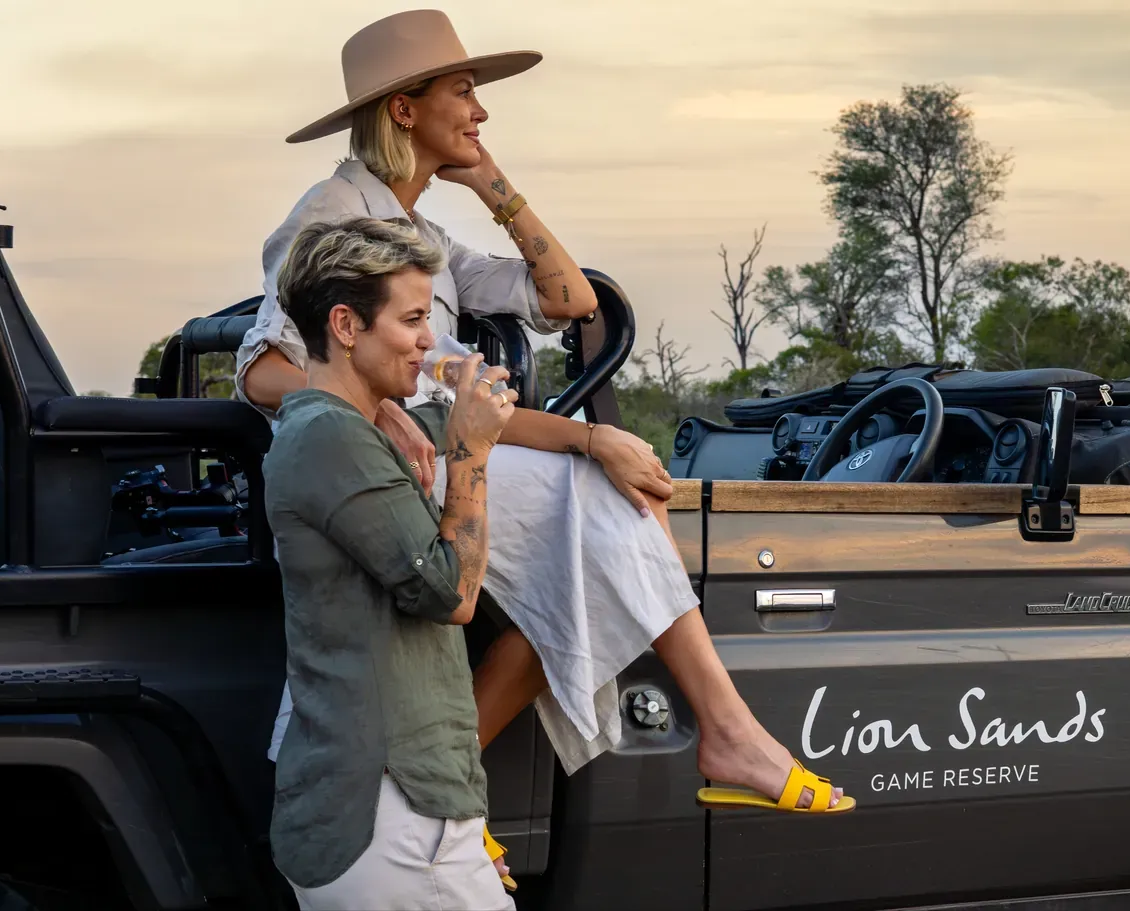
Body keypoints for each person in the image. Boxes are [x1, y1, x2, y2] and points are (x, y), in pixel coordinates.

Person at [236, 8, 851, 841]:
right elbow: (262, 371)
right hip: (372, 471)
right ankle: (729, 730)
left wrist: (493, 182)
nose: (481, 110)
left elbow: (569, 298)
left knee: (579, 570)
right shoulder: (332, 212)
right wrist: (380, 410)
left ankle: (451, 787)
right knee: (607, 503)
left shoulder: (423, 234)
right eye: (464, 92)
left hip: (451, 451)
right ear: (405, 109)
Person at [262, 216, 515, 907]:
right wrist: (470, 454)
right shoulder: (329, 437)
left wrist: (584, 439)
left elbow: (459, 422)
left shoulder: (351, 430)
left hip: (400, 820)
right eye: (412, 319)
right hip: (394, 823)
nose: (429, 339)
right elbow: (453, 593)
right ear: (346, 326)